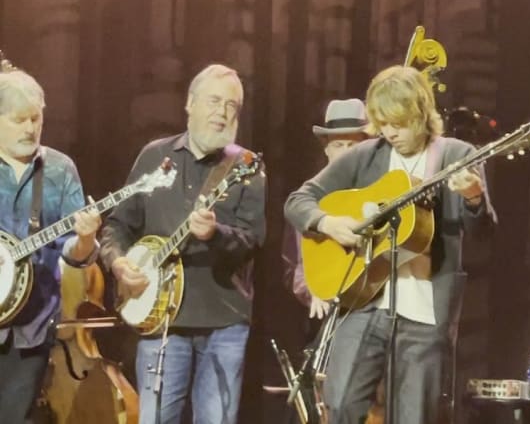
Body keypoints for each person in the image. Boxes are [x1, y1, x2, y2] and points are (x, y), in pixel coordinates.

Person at [284, 65, 496, 424]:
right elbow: (298, 200)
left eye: (397, 123)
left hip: (425, 312)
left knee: (415, 417)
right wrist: (328, 223)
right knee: (341, 402)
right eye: (382, 123)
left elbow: (483, 234)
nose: (389, 132)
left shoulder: (455, 155)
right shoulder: (367, 154)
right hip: (364, 301)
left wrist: (474, 198)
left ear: (420, 114)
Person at [101, 64, 266, 424]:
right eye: (214, 101)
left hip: (223, 321)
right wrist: (118, 263)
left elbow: (253, 241)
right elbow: (117, 226)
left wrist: (215, 234)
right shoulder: (153, 156)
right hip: (161, 323)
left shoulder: (246, 166)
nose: (222, 113)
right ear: (190, 104)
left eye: (232, 106)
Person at [0, 60, 101, 423]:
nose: (30, 128)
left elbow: (76, 255)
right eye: (19, 119)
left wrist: (86, 238)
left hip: (31, 328)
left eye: (36, 118)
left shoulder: (59, 170)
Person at [283, 98, 370, 320]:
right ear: (326, 150)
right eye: (338, 145)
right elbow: (294, 266)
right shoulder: (308, 201)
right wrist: (314, 290)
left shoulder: (379, 190)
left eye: (353, 145)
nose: (346, 153)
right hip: (330, 314)